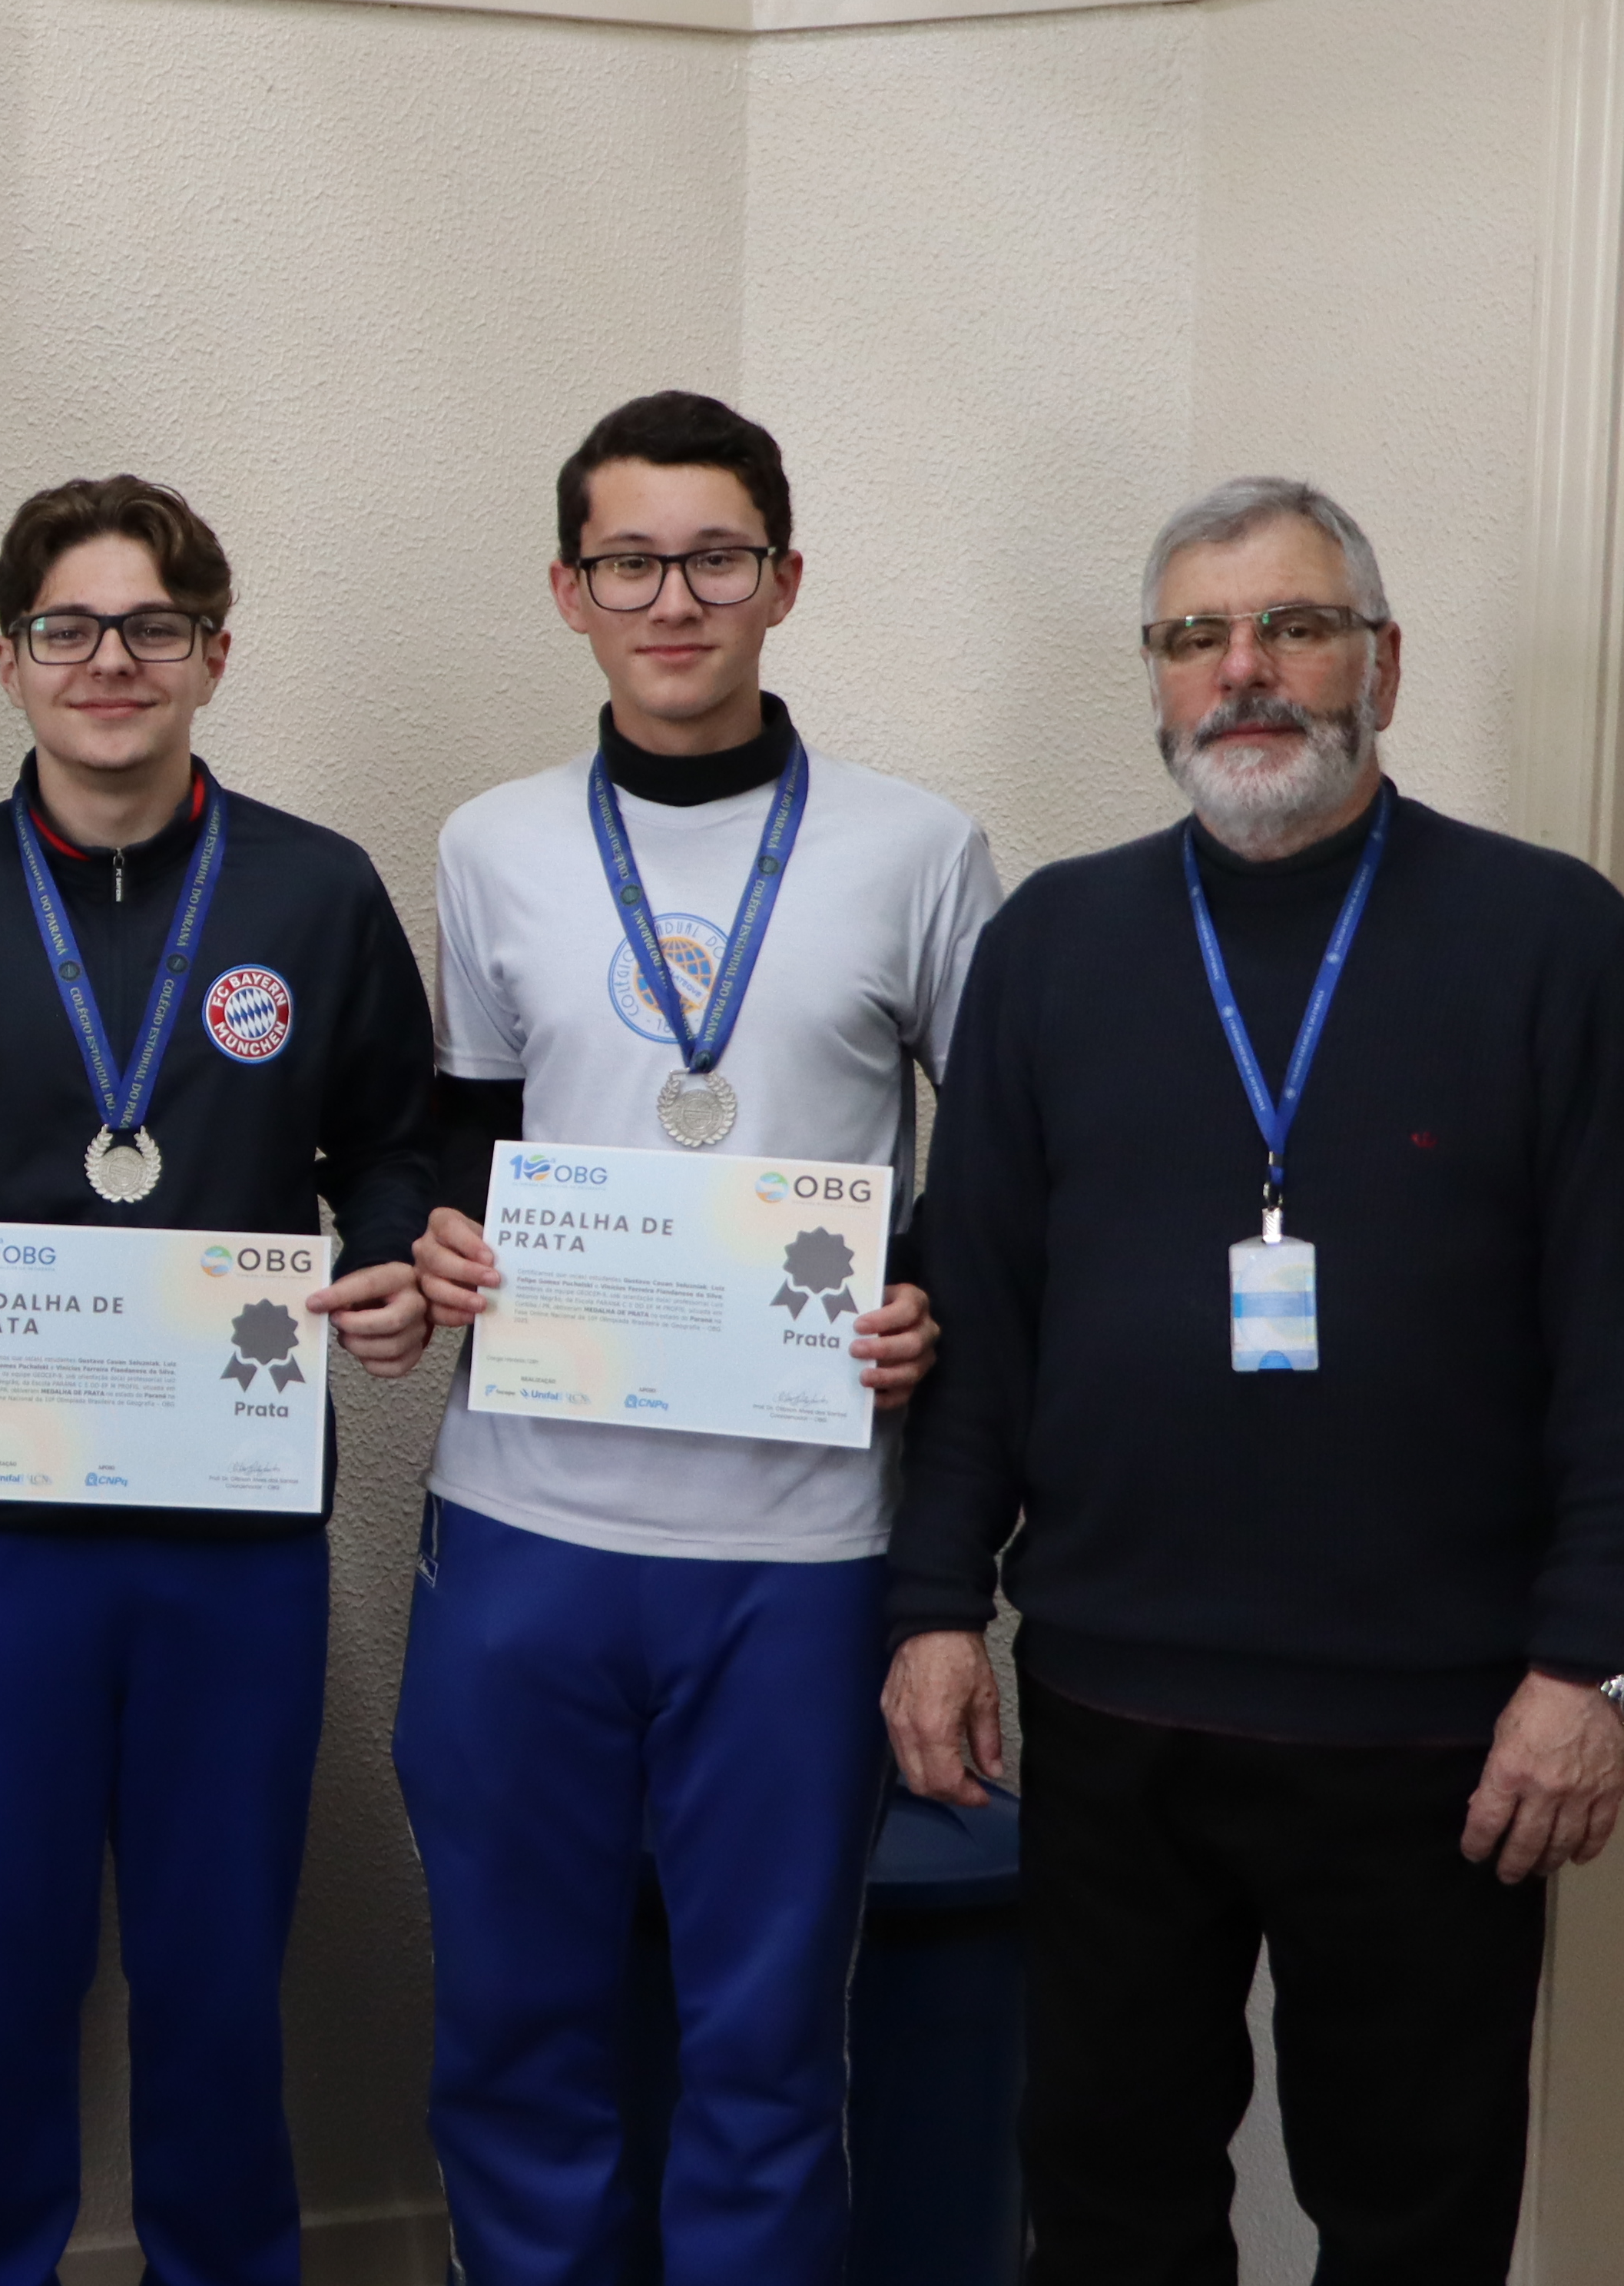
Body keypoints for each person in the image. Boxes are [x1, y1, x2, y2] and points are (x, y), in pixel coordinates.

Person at [886, 477, 1624, 2282]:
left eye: (1296, 627)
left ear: (1383, 667)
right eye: (1198, 637)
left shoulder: (1555, 944)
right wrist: (938, 1603)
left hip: (1439, 1734)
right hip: (1112, 1709)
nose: (1245, 671)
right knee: (1108, 2202)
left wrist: (1599, 1660)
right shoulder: (1050, 948)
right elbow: (983, 1317)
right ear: (1159, 683)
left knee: (1412, 2215)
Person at [0, 476, 438, 2286]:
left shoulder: (316, 891)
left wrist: (392, 1259)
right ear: (8, 662)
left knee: (220, 1988)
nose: (111, 663)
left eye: (155, 627)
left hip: (229, 1544)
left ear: (214, 655)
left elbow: (397, 1143)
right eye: (67, 628)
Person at [398, 391, 996, 2282]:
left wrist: (935, 1309)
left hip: (797, 1552)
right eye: (632, 562)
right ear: (570, 590)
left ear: (785, 581)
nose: (678, 599)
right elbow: (467, 1141)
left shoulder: (919, 847)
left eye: (717, 558)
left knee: (761, 2054)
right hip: (525, 1533)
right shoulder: (490, 844)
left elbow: (996, 1177)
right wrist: (431, 1237)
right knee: (515, 2036)